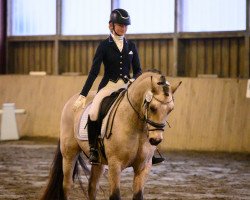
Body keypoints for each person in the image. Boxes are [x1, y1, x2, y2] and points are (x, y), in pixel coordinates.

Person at [73, 8, 164, 165]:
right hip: (108, 86)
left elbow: (138, 71)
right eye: (120, 25)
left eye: (125, 26)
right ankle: (94, 149)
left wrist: (133, 81)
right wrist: (83, 95)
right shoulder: (103, 46)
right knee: (94, 112)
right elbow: (94, 72)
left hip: (127, 87)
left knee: (145, 110)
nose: (123, 28)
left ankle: (149, 150)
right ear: (111, 26)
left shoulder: (131, 46)